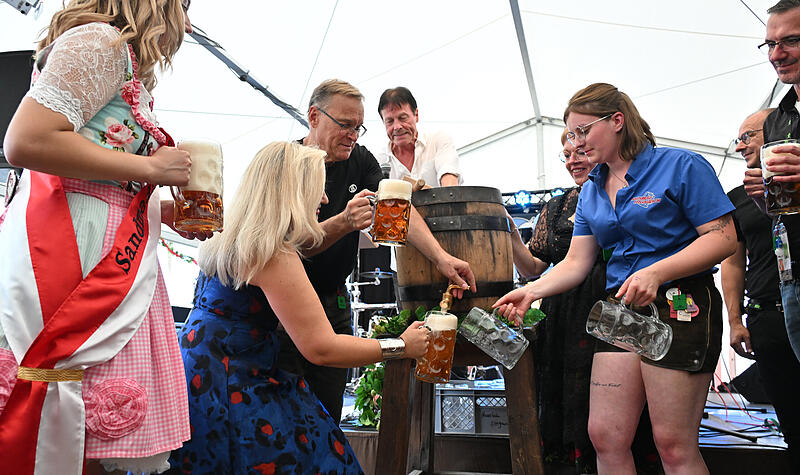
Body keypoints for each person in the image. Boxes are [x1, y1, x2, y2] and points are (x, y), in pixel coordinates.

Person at [0, 1, 201, 474]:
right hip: (74, 248)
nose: (188, 21)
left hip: (101, 240)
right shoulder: (100, 42)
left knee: (71, 416)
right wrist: (151, 168)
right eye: (185, 4)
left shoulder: (111, 51)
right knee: (59, 402)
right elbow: (26, 140)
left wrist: (159, 208)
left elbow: (93, 167)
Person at [495, 83, 736, 474]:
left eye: (583, 130)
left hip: (680, 303)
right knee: (605, 435)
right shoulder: (592, 190)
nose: (576, 142)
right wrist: (530, 292)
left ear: (618, 121)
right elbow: (576, 262)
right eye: (570, 134)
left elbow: (723, 238)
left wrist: (657, 271)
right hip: (620, 310)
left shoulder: (680, 165)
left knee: (673, 445)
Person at [167, 141, 430, 474]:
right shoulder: (273, 254)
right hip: (234, 388)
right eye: (318, 188)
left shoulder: (227, 235)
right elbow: (321, 348)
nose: (324, 199)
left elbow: (307, 241)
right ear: (293, 191)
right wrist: (401, 346)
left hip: (194, 378)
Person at [279, 79, 475, 424]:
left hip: (333, 299)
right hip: (281, 305)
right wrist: (343, 222)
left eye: (359, 127)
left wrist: (441, 258)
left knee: (327, 413)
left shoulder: (361, 160)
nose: (353, 135)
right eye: (345, 125)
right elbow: (286, 248)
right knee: (281, 411)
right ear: (314, 116)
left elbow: (398, 206)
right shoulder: (283, 163)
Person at [511, 132, 659, 474]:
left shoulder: (629, 192)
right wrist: (510, 234)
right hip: (565, 313)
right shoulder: (556, 206)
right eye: (566, 155)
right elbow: (533, 267)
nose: (572, 160)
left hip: (616, 302)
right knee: (572, 398)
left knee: (620, 414)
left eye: (578, 151)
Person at [722, 109, 800, 471]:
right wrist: (735, 321)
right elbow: (733, 261)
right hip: (765, 315)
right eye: (737, 139)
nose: (740, 147)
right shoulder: (737, 197)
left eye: (747, 136)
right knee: (791, 420)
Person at [744, 0, 800, 363]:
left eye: (791, 41)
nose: (776, 54)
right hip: (791, 280)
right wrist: (765, 200)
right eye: (770, 44)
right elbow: (784, 212)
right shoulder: (778, 119)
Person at [375, 86, 462, 187]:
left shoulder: (438, 141)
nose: (397, 127)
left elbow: (450, 186)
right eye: (390, 121)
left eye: (402, 118)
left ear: (416, 115)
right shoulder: (379, 161)